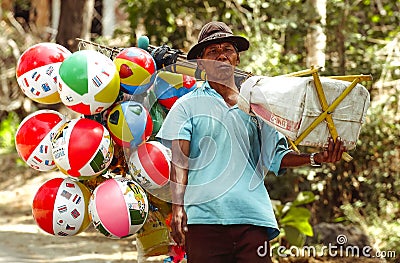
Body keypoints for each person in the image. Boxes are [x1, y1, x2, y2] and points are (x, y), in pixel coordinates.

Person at [156, 21, 345, 263]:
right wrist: (178, 209)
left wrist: (317, 158)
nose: (221, 55)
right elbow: (179, 162)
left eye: (228, 49)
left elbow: (276, 157)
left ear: (237, 58)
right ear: (201, 64)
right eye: (213, 51)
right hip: (204, 220)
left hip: (252, 219)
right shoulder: (187, 105)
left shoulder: (259, 107)